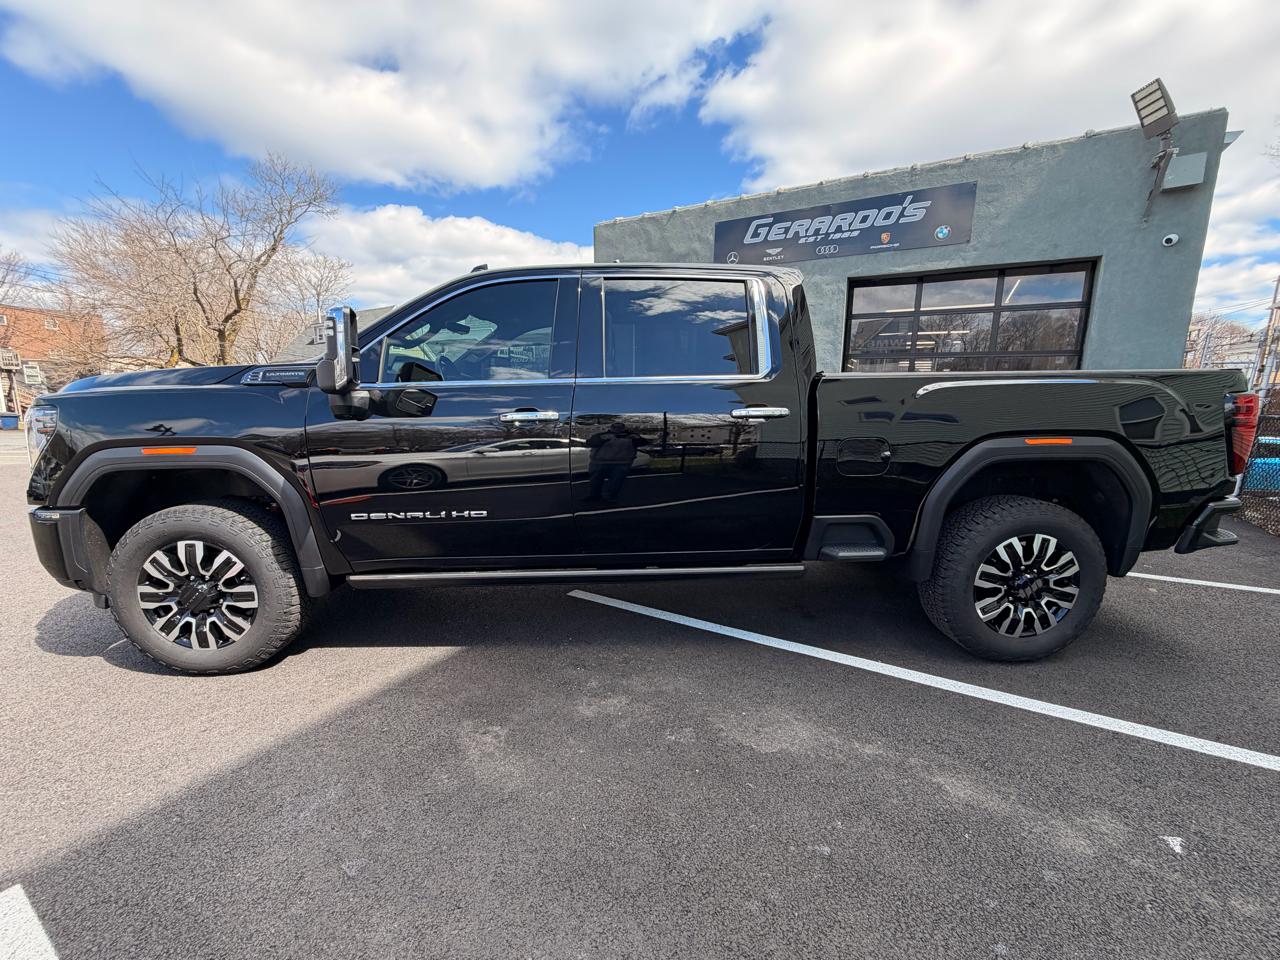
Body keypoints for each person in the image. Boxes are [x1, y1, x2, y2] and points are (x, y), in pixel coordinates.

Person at [584, 422, 646, 502]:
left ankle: (610, 498)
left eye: (620, 427)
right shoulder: (602, 435)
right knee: (595, 481)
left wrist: (636, 438)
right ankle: (594, 496)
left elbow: (644, 443)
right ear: (611, 427)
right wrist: (602, 439)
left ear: (624, 428)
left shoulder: (631, 436)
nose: (617, 429)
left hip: (622, 463)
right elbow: (590, 443)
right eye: (615, 427)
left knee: (616, 483)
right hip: (600, 462)